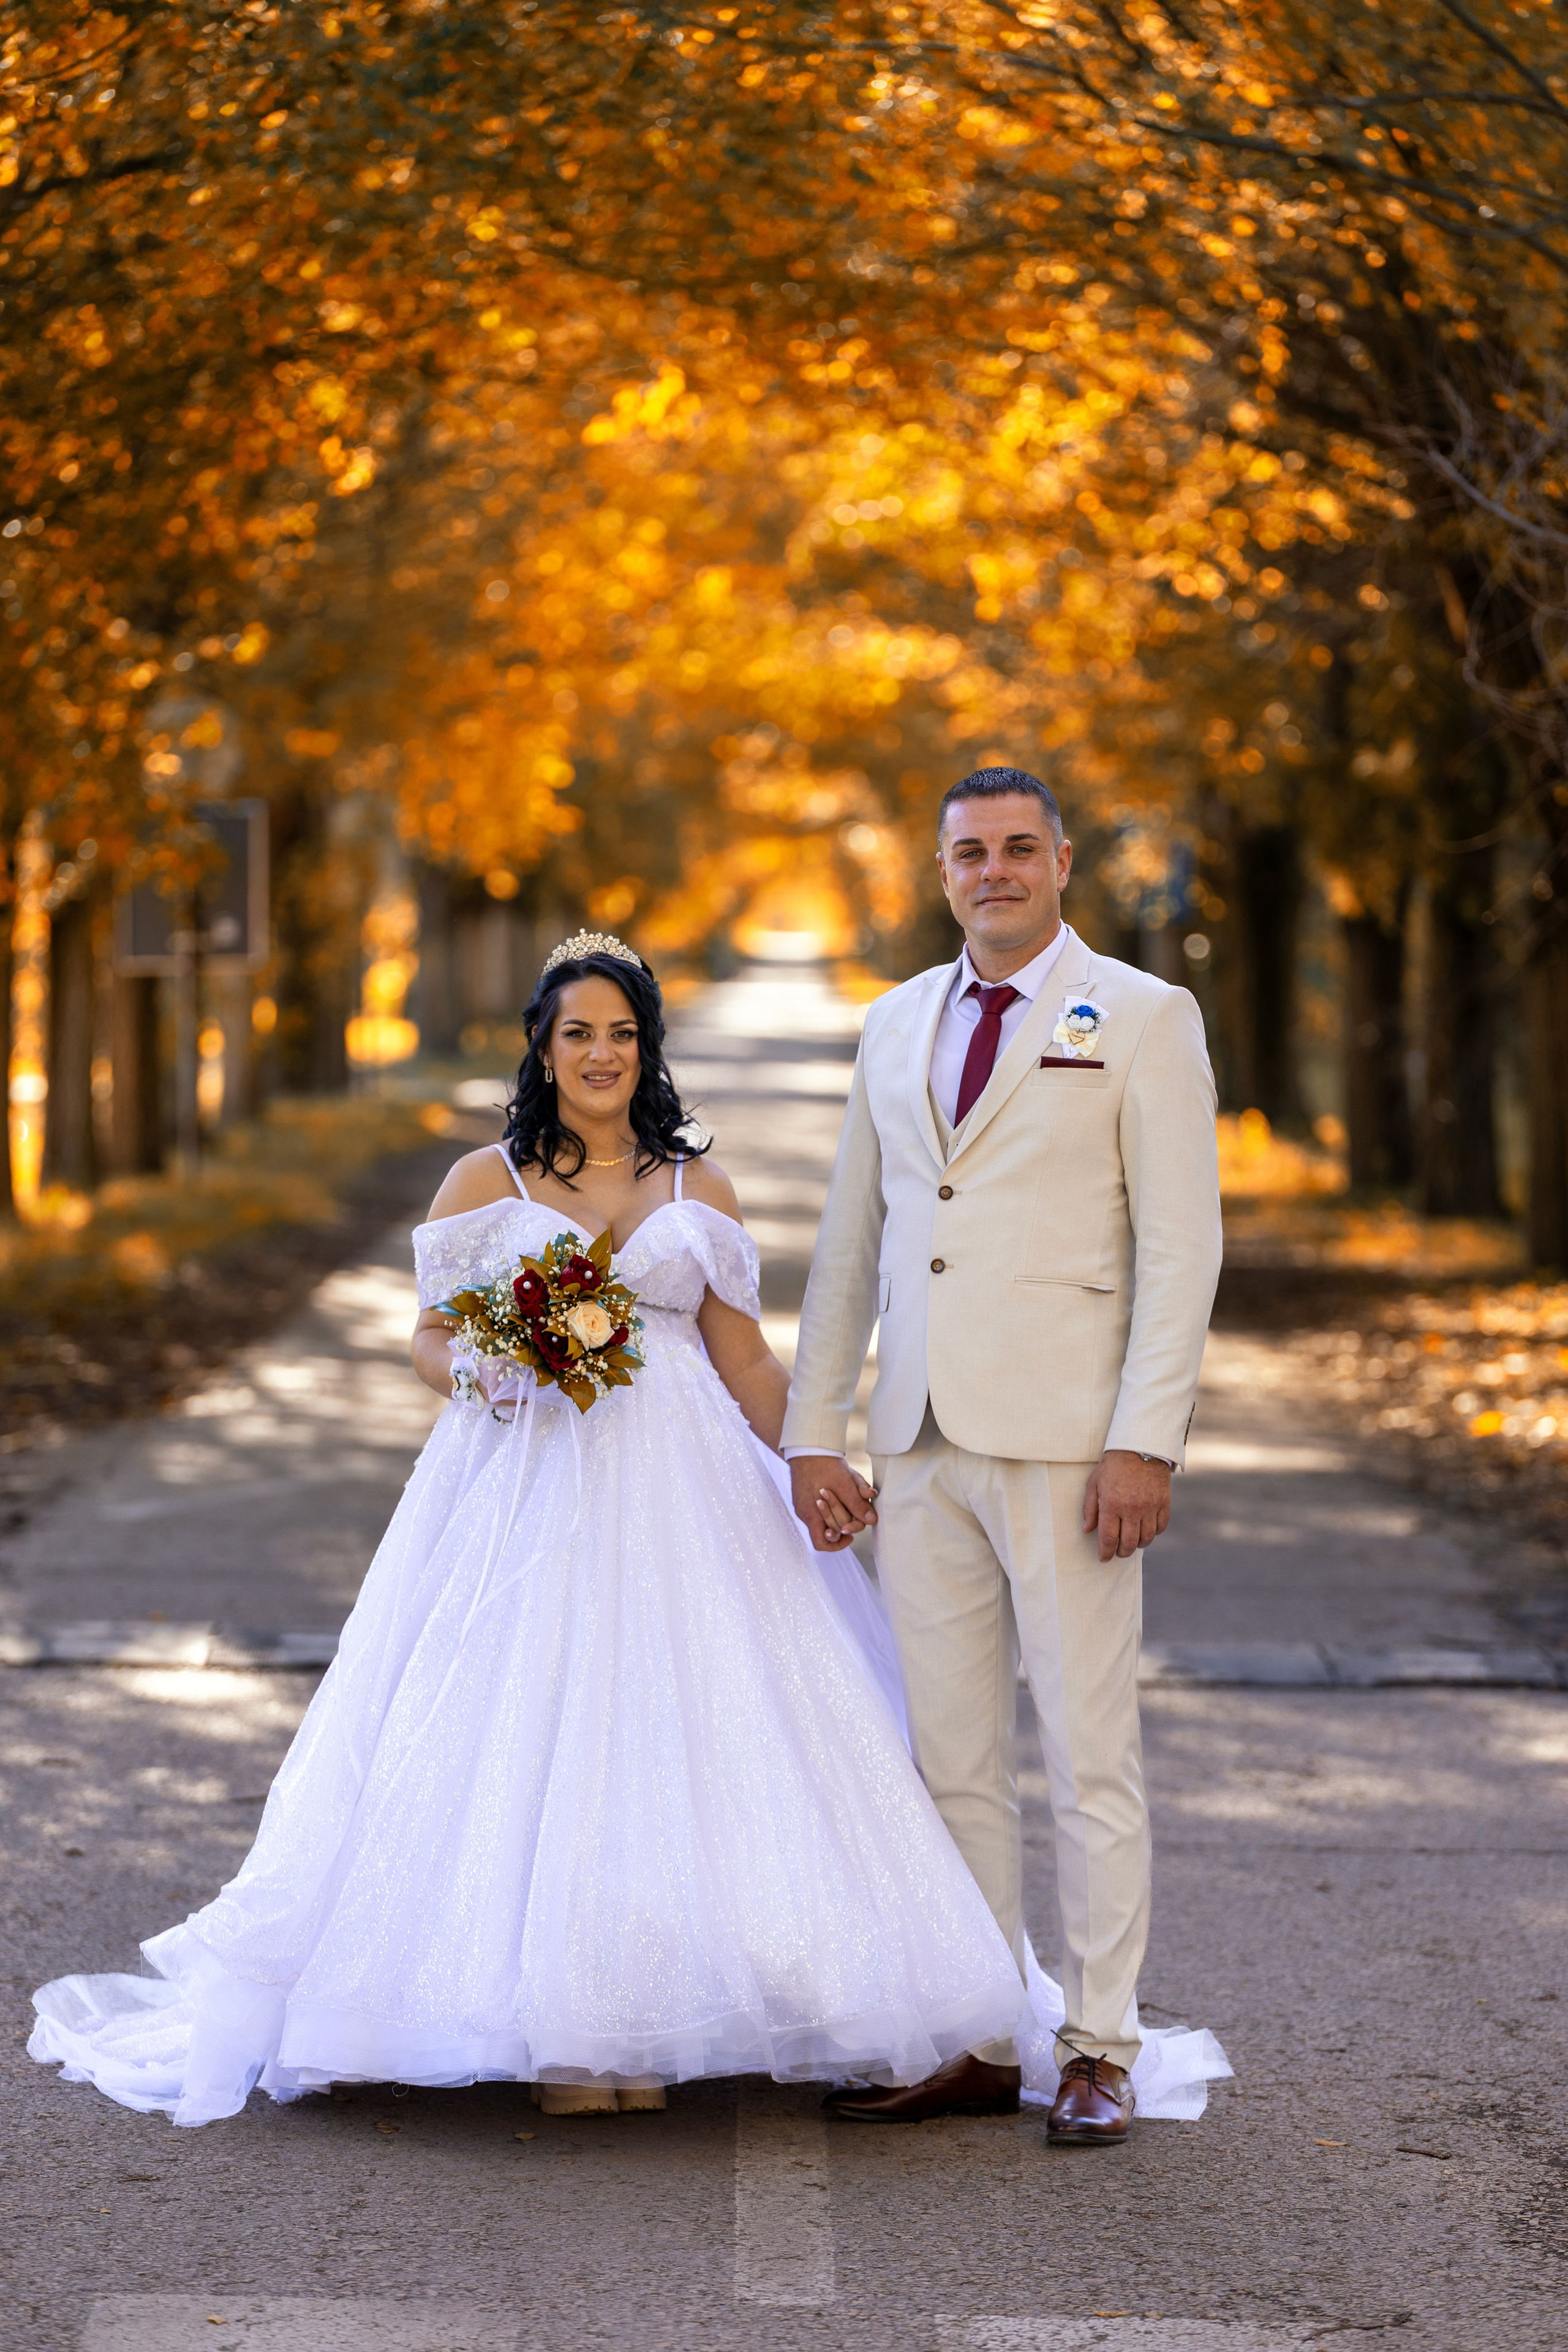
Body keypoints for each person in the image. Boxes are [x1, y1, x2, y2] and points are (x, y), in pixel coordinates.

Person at [29, 933, 1029, 2127]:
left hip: (682, 1485)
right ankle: (552, 2032)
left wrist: (811, 1462)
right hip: (519, 1478)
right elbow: (427, 1334)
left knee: (673, 1727)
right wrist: (496, 1369)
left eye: (620, 1034)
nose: (600, 1054)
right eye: (577, 1034)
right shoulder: (483, 1181)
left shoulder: (692, 1187)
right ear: (543, 1051)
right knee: (518, 1720)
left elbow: (743, 1355)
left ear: (644, 1049)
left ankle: (646, 2018)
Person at [783, 769, 1226, 2144]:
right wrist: (813, 1429)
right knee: (950, 1760)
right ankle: (977, 2029)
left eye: (1018, 848)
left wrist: (1142, 1438)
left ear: (1060, 860)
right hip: (917, 1443)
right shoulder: (891, 1023)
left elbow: (1180, 1248)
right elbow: (849, 1246)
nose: (994, 871)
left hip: (1068, 1446)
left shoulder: (1144, 1018)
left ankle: (1097, 2044)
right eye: (969, 852)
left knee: (1089, 1754)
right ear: (940, 871)